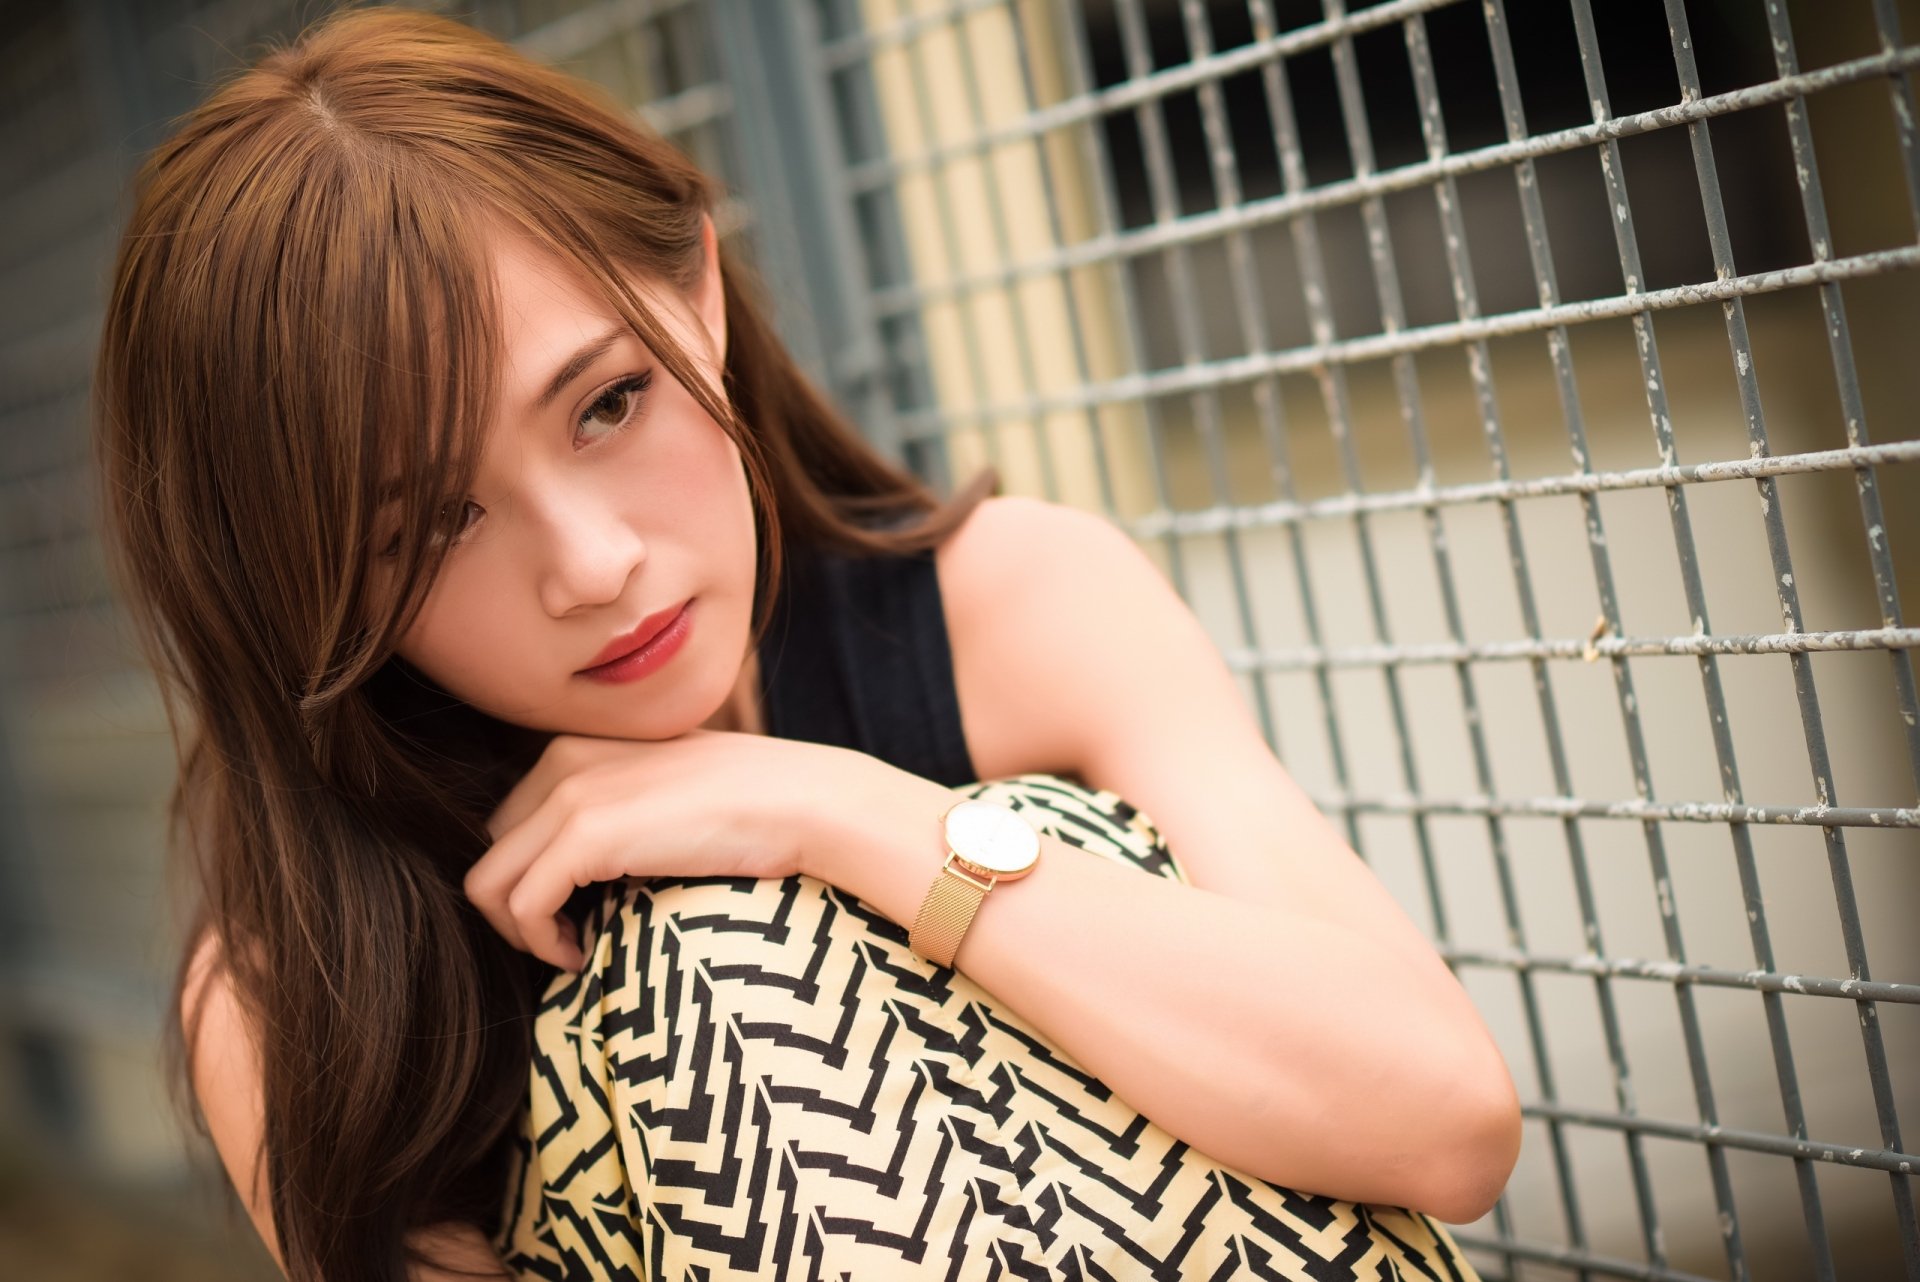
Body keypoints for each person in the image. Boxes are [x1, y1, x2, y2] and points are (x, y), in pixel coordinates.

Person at [93, 6, 1520, 1279]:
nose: (593, 566)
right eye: (431, 525)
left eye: (606, 404)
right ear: (296, 585)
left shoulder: (1011, 606)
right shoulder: (301, 993)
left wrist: (835, 812)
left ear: (699, 296)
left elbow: (1442, 1118)